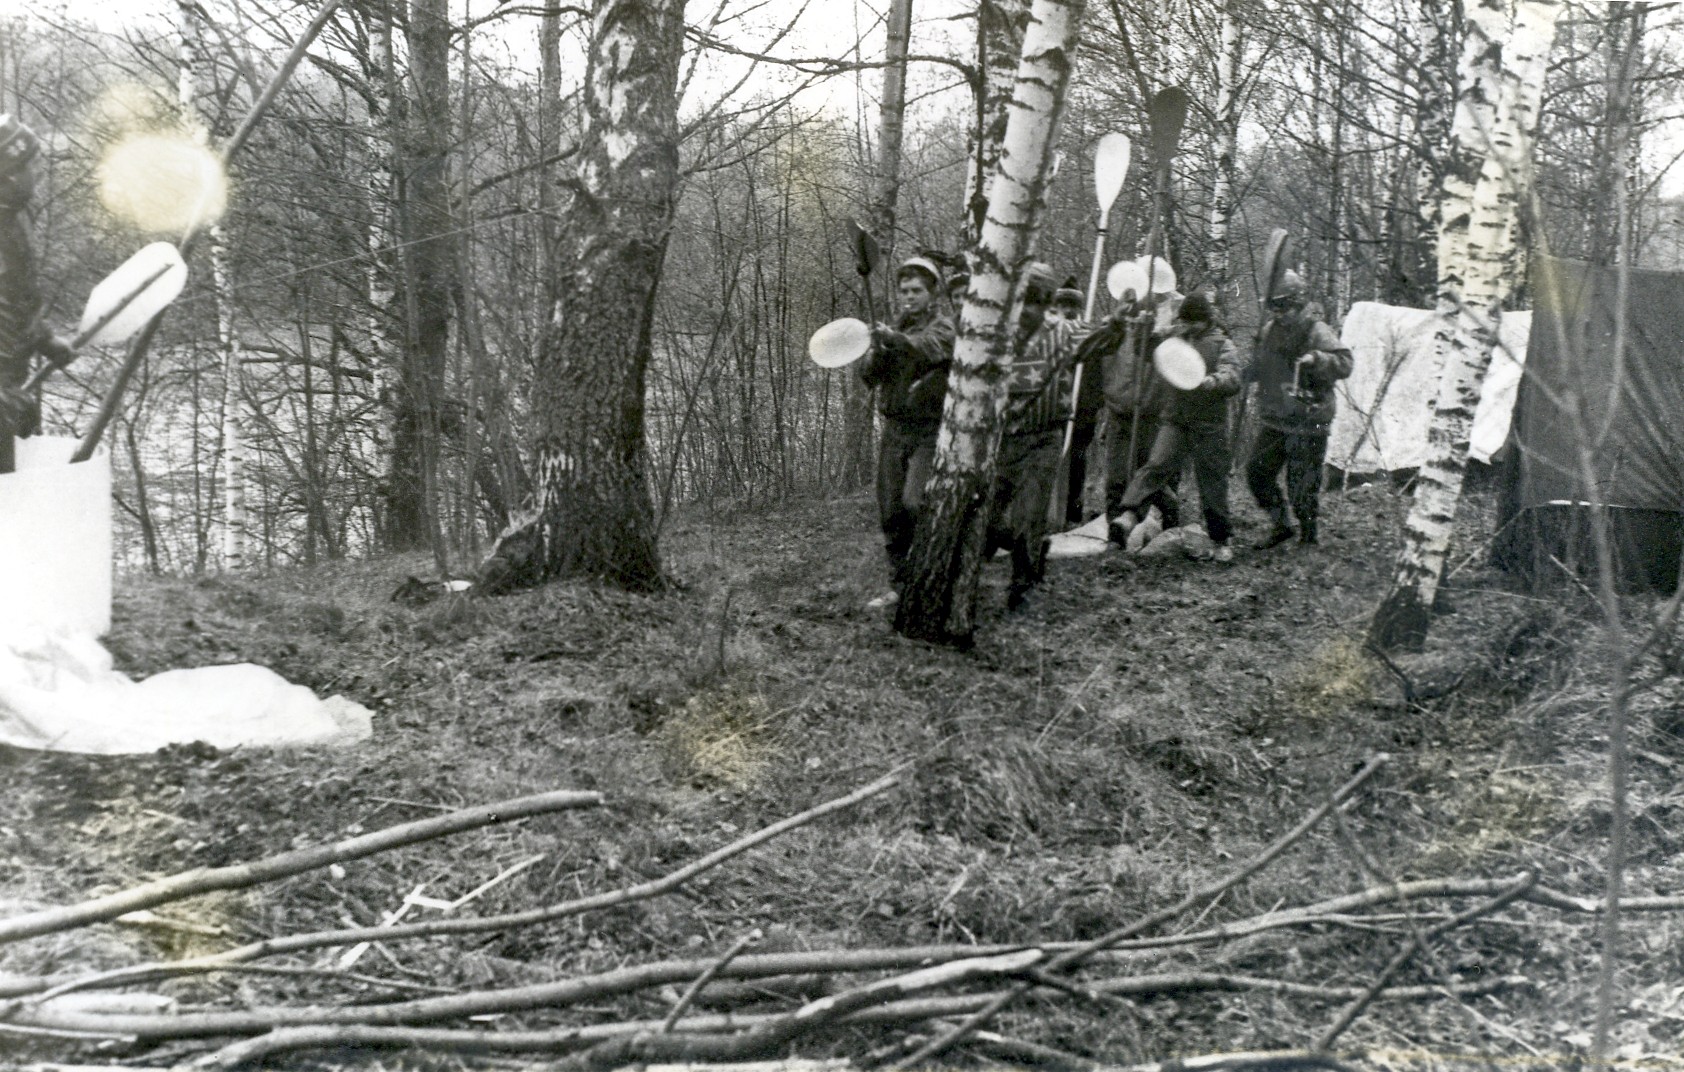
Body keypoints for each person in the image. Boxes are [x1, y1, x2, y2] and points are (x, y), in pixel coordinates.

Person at [1108, 293, 1241, 561]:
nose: (1188, 326)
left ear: (1205, 320)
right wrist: (1143, 329)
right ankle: (1129, 514)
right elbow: (1145, 352)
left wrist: (1213, 381)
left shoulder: (1222, 344)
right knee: (1156, 465)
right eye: (1185, 321)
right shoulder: (1175, 335)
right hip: (1176, 419)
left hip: (1209, 424)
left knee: (1212, 480)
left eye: (1193, 322)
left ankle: (1221, 538)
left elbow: (1233, 376)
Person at [858, 257, 955, 592]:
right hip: (895, 430)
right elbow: (869, 378)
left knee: (917, 502)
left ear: (932, 293)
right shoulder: (897, 329)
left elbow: (929, 349)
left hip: (928, 432)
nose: (909, 297)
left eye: (916, 291)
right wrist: (876, 352)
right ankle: (900, 585)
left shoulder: (943, 326)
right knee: (891, 511)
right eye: (904, 291)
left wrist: (895, 340)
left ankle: (930, 572)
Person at [990, 262, 1082, 609]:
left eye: (1037, 302)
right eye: (1023, 300)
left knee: (1029, 514)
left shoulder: (1063, 331)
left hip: (1044, 438)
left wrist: (1120, 325)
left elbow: (1098, 339)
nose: (1029, 310)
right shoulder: (997, 332)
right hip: (1004, 437)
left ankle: (1022, 585)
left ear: (1047, 303)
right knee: (987, 516)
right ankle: (1028, 546)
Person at [1243, 270, 1353, 547]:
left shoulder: (1317, 330)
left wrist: (1317, 358)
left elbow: (1345, 362)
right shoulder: (1269, 330)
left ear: (1297, 304)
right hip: (1276, 417)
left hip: (1310, 417)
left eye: (1284, 308)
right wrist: (1247, 371)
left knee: (1302, 484)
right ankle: (1281, 525)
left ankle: (1308, 534)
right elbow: (1262, 365)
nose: (1279, 315)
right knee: (1257, 472)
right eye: (1274, 308)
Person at [0, 114, 73, 473]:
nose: (37, 175)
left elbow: (18, 300)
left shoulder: (11, 219)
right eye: (28, 167)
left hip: (12, 389)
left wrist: (44, 339)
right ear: (7, 175)